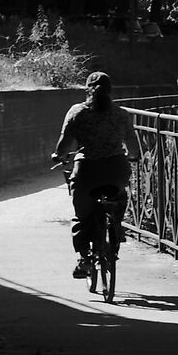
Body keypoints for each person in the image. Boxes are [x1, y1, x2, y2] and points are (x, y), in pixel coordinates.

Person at [50, 72, 140, 278]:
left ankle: (84, 258)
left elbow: (63, 146)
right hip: (116, 169)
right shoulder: (121, 114)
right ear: (111, 91)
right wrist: (132, 156)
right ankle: (115, 228)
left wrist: (58, 156)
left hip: (87, 171)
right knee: (118, 197)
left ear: (87, 89)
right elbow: (133, 146)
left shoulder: (77, 112)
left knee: (82, 214)